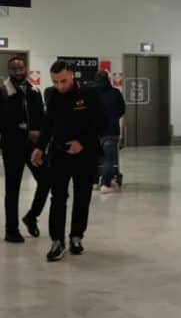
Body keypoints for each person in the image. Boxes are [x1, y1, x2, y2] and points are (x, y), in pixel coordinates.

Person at [31, 61, 104, 262]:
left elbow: (102, 123)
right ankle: (57, 241)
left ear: (72, 75)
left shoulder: (90, 94)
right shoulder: (53, 95)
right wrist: (39, 147)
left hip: (85, 154)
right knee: (58, 197)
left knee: (82, 197)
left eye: (63, 80)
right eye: (55, 82)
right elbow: (48, 124)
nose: (60, 86)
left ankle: (76, 237)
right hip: (60, 154)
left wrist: (83, 143)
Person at [1, 56, 49, 243]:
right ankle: (11, 230)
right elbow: (3, 122)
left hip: (33, 149)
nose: (18, 71)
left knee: (46, 181)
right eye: (14, 68)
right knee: (12, 189)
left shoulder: (33, 91)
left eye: (21, 68)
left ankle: (31, 216)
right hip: (12, 147)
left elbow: (41, 117)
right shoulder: (3, 92)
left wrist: (40, 137)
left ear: (26, 69)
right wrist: (24, 132)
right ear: (9, 70)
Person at [94, 70, 126, 194]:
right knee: (108, 158)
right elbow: (122, 110)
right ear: (108, 79)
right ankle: (105, 184)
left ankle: (95, 182)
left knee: (96, 159)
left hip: (95, 132)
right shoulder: (115, 93)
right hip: (111, 131)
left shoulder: (92, 93)